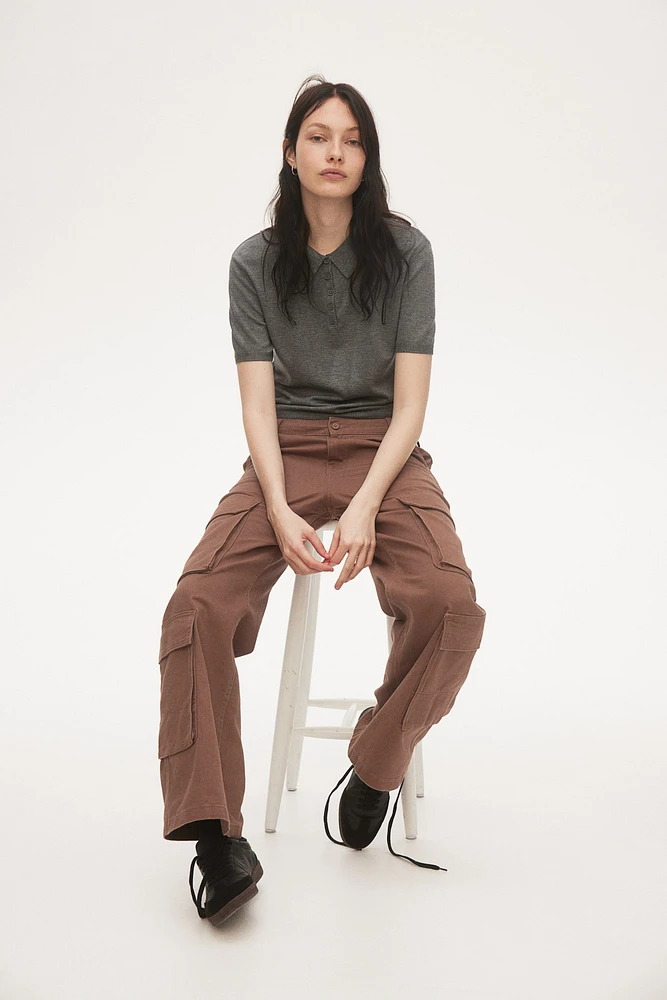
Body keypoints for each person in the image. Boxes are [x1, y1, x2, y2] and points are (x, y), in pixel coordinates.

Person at [156, 74, 487, 926]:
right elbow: (256, 404)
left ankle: (375, 763)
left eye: (351, 139)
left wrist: (368, 503)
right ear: (289, 152)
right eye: (317, 136)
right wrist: (274, 505)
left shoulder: (406, 253)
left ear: (367, 158)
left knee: (452, 603)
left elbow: (410, 405)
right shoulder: (254, 261)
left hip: (387, 451)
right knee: (195, 604)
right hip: (289, 448)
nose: (335, 152)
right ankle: (214, 836)